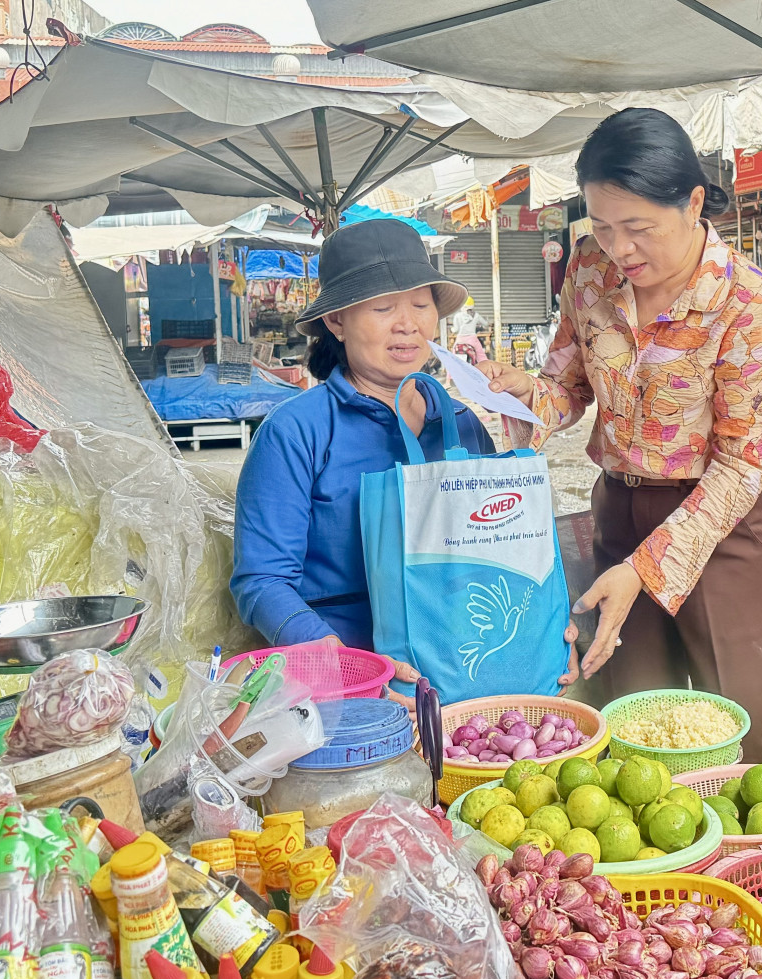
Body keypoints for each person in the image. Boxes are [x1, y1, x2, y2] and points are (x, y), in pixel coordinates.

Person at [484, 109, 762, 761]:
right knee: (630, 726)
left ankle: (749, 862)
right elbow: (565, 389)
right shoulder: (590, 271)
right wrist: (518, 394)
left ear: (694, 203)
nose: (620, 249)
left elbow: (741, 465)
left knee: (733, 728)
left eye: (639, 228)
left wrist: (645, 569)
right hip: (620, 512)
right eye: (602, 227)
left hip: (722, 529)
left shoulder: (747, 302)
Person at [232, 219, 574, 688]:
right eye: (383, 308)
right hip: (352, 672)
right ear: (336, 321)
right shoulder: (295, 432)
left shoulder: (462, 423)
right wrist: (344, 667)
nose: (408, 325)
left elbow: (506, 549)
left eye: (420, 304)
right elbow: (262, 582)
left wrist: (544, 628)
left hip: (465, 665)